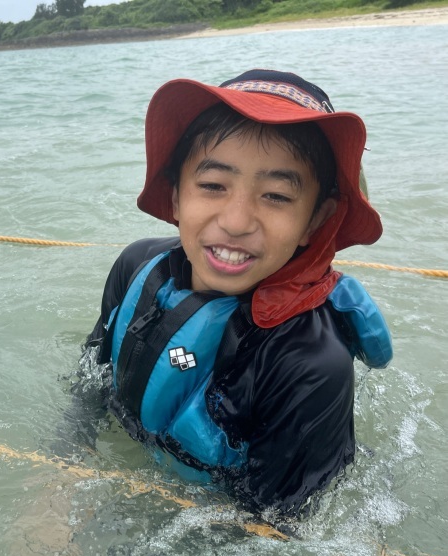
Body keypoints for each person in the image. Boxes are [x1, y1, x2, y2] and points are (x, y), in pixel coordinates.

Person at [85, 69, 393, 519]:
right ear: (175, 195)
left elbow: (273, 529)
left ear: (315, 219)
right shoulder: (136, 268)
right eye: (212, 185)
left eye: (276, 196)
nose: (236, 220)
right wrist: (59, 483)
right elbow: (88, 387)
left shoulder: (310, 365)